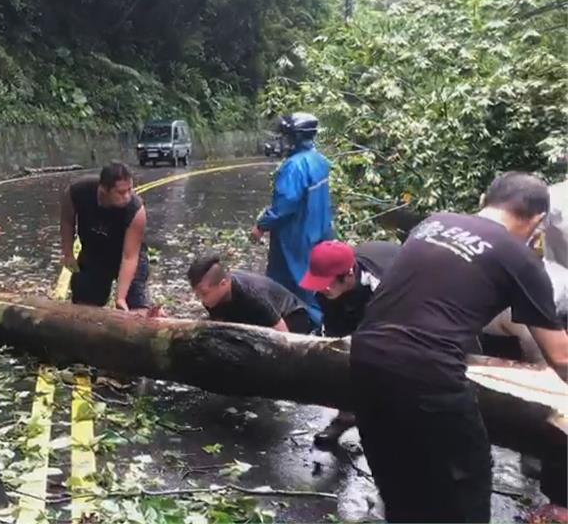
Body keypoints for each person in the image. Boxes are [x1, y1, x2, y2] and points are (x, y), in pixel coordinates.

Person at [350, 172, 568, 523]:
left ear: (484, 199)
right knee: (463, 486)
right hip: (428, 373)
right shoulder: (520, 258)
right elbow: (561, 357)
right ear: (538, 221)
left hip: (364, 358)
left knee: (400, 482)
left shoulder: (433, 223)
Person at [298, 239, 400, 447]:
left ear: (349, 275)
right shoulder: (326, 290)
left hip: (401, 305)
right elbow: (337, 334)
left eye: (327, 283)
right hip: (353, 303)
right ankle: (346, 415)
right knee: (344, 357)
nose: (321, 289)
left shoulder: (383, 286)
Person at [252, 112, 333, 327]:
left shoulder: (294, 167)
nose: (282, 141)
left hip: (295, 240)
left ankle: (300, 333)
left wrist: (261, 225)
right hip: (319, 235)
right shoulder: (319, 161)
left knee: (290, 289)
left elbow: (284, 207)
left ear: (296, 137)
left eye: (286, 136)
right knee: (317, 286)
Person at [61, 162, 149, 311]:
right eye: (121, 192)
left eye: (130, 190)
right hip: (94, 252)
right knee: (84, 303)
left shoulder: (136, 209)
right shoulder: (77, 191)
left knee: (136, 307)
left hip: (125, 254)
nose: (127, 196)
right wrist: (68, 253)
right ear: (103, 190)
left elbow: (130, 257)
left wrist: (120, 297)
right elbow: (67, 221)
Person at [187, 254, 314, 333]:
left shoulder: (253, 296)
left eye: (204, 294)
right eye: (197, 295)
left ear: (223, 284)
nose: (202, 300)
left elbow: (283, 334)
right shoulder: (212, 298)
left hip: (292, 317)